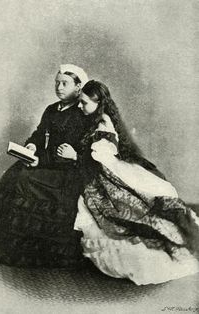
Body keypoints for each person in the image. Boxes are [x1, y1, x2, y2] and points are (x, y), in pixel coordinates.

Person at [61, 80, 199, 285]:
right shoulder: (96, 120)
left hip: (105, 173)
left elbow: (103, 162)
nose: (80, 106)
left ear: (98, 103)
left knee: (124, 215)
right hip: (105, 169)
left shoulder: (103, 125)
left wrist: (75, 157)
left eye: (84, 103)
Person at [0, 64, 92, 268]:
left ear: (78, 87)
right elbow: (39, 133)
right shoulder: (52, 109)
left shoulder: (80, 116)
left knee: (25, 179)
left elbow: (69, 152)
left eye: (65, 83)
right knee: (15, 171)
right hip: (47, 161)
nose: (59, 87)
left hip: (65, 170)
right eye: (57, 83)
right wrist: (32, 145)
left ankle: (11, 247)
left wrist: (41, 161)